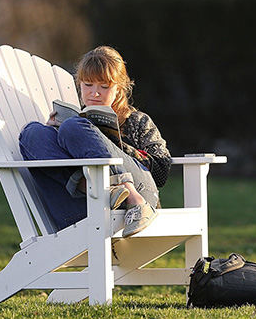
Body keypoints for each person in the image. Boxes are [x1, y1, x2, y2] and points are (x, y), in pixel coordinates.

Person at [18, 46, 170, 236]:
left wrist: (111, 142)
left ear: (119, 89)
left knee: (73, 128)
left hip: (140, 196)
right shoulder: (75, 123)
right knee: (32, 133)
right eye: (88, 85)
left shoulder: (137, 121)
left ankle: (130, 196)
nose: (94, 93)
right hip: (88, 203)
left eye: (104, 87)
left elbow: (162, 171)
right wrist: (53, 134)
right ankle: (101, 187)